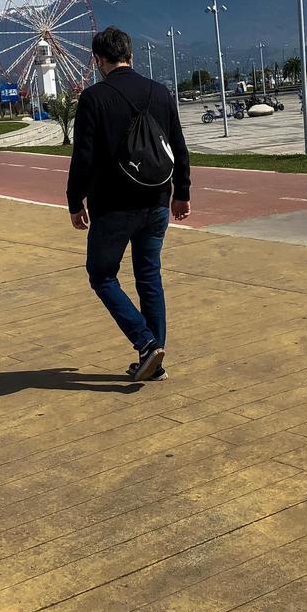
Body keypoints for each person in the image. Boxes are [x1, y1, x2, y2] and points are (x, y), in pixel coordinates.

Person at [67, 26, 192, 383]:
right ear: (131, 55)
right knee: (149, 276)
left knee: (102, 275)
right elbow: (179, 149)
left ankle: (146, 342)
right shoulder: (160, 92)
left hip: (114, 207)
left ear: (98, 60)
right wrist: (181, 194)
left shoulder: (94, 98)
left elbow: (83, 159)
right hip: (156, 201)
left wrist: (75, 202)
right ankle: (155, 360)